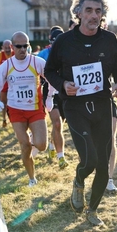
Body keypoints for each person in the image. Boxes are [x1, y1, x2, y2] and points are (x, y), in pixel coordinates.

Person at [44, 0, 117, 226]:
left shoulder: (109, 39)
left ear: (102, 15)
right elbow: (50, 71)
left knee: (103, 164)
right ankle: (79, 180)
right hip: (76, 107)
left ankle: (92, 210)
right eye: (88, 10)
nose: (93, 15)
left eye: (98, 11)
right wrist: (63, 85)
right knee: (89, 160)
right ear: (78, 13)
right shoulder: (64, 41)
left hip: (102, 105)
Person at [0, 31, 48, 187]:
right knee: (25, 145)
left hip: (35, 108)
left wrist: (51, 97)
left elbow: (53, 78)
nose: (23, 49)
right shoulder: (6, 66)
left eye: (25, 46)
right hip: (16, 110)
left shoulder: (37, 62)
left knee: (42, 145)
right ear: (12, 47)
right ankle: (31, 178)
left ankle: (33, 135)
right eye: (19, 46)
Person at [38, 26, 69, 169]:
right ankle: (61, 157)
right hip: (49, 92)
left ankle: (52, 143)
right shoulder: (43, 54)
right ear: (50, 41)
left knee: (60, 123)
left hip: (64, 91)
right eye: (54, 41)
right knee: (57, 123)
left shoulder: (69, 52)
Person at [0, 40, 15, 128]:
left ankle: (14, 119)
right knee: (3, 102)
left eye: (9, 47)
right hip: (4, 82)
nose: (7, 49)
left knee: (14, 101)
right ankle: (4, 119)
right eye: (6, 48)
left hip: (13, 81)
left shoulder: (15, 54)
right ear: (2, 48)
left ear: (11, 47)